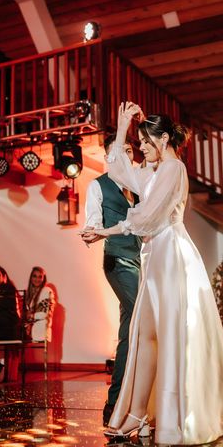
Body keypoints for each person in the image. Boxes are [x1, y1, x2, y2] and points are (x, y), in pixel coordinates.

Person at [81, 102, 223, 445]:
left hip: (171, 255)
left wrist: (106, 232)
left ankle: (171, 417)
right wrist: (124, 120)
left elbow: (149, 218)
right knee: (145, 336)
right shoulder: (154, 172)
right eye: (138, 141)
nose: (140, 149)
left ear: (165, 138)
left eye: (145, 142)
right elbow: (118, 171)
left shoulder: (173, 170)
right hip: (155, 255)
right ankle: (138, 413)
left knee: (164, 336)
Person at [83, 134, 141, 426]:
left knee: (130, 330)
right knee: (141, 317)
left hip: (142, 261)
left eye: (129, 150)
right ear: (108, 157)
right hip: (117, 261)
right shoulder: (98, 185)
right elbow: (92, 221)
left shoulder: (138, 185)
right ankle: (119, 399)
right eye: (118, 151)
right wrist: (92, 231)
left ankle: (119, 402)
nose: (125, 155)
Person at [22, 267, 55, 342]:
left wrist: (31, 316)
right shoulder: (30, 293)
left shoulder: (46, 291)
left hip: (42, 334)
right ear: (31, 277)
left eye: (40, 277)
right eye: (34, 276)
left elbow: (44, 313)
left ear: (44, 278)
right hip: (32, 334)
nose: (37, 279)